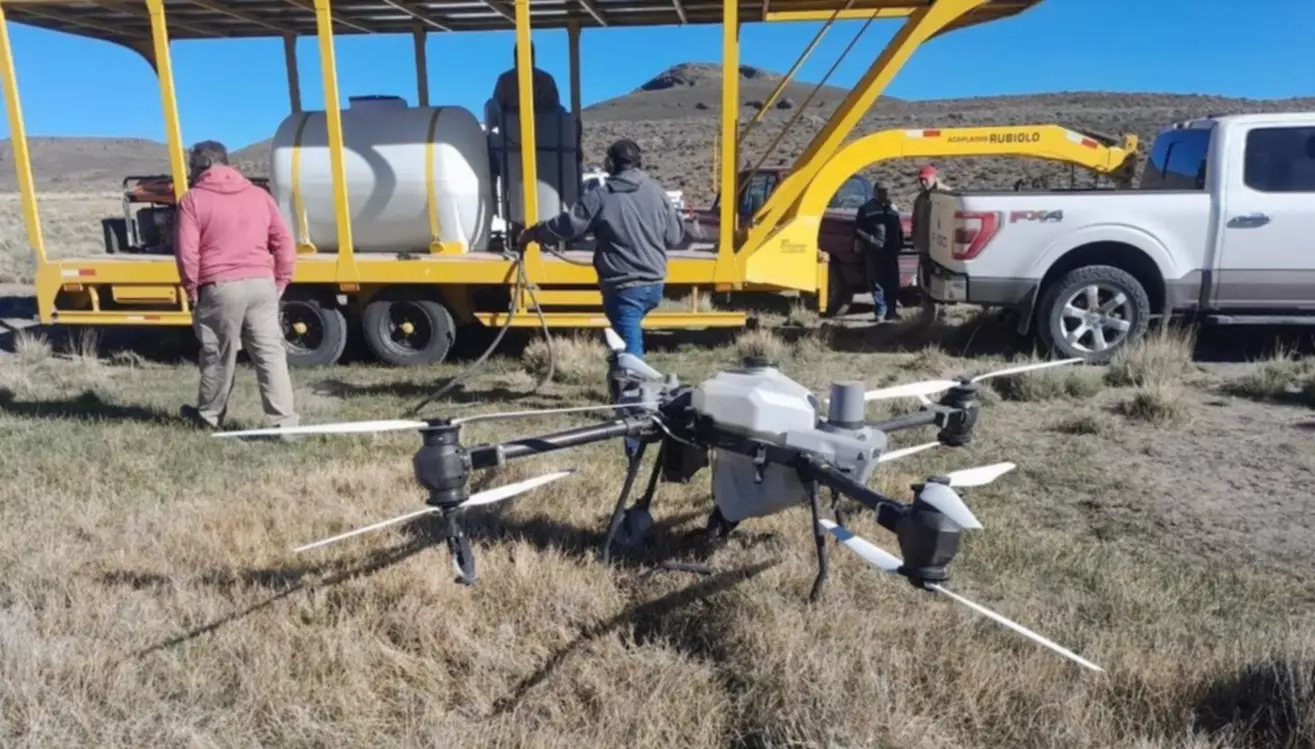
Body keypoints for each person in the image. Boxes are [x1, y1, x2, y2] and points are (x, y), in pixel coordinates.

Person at [174, 140, 299, 435]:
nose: (191, 171)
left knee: (218, 355)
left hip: (220, 286)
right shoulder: (259, 195)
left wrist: (192, 290)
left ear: (203, 164)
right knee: (270, 354)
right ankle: (285, 424)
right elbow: (284, 242)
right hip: (262, 283)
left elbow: (187, 254)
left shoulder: (192, 200)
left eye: (192, 165)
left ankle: (209, 417)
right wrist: (282, 279)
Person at [518, 138, 683, 359]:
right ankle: (620, 375)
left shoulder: (602, 197)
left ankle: (632, 379)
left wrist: (535, 233)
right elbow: (674, 237)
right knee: (622, 343)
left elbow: (569, 225)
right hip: (654, 284)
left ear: (610, 164)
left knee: (629, 352)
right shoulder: (657, 192)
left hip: (625, 287)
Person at [854, 183, 904, 322]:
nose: (884, 194)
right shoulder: (866, 209)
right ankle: (880, 311)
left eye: (886, 191)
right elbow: (858, 229)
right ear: (875, 192)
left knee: (892, 281)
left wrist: (900, 243)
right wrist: (870, 240)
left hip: (891, 251)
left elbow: (898, 227)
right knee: (877, 282)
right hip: (874, 251)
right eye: (881, 191)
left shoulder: (892, 208)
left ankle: (891, 311)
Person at [911, 164, 947, 322]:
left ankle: (942, 315)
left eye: (925, 179)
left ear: (934, 177)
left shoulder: (945, 195)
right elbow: (915, 221)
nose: (923, 182)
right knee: (924, 282)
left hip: (942, 249)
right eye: (920, 180)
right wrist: (915, 239)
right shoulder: (920, 199)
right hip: (924, 248)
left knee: (941, 282)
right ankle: (928, 315)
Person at [491, 42, 561, 113]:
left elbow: (556, 110)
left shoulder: (547, 80)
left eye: (527, 55)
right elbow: (495, 110)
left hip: (542, 119)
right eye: (521, 56)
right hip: (512, 120)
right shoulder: (504, 80)